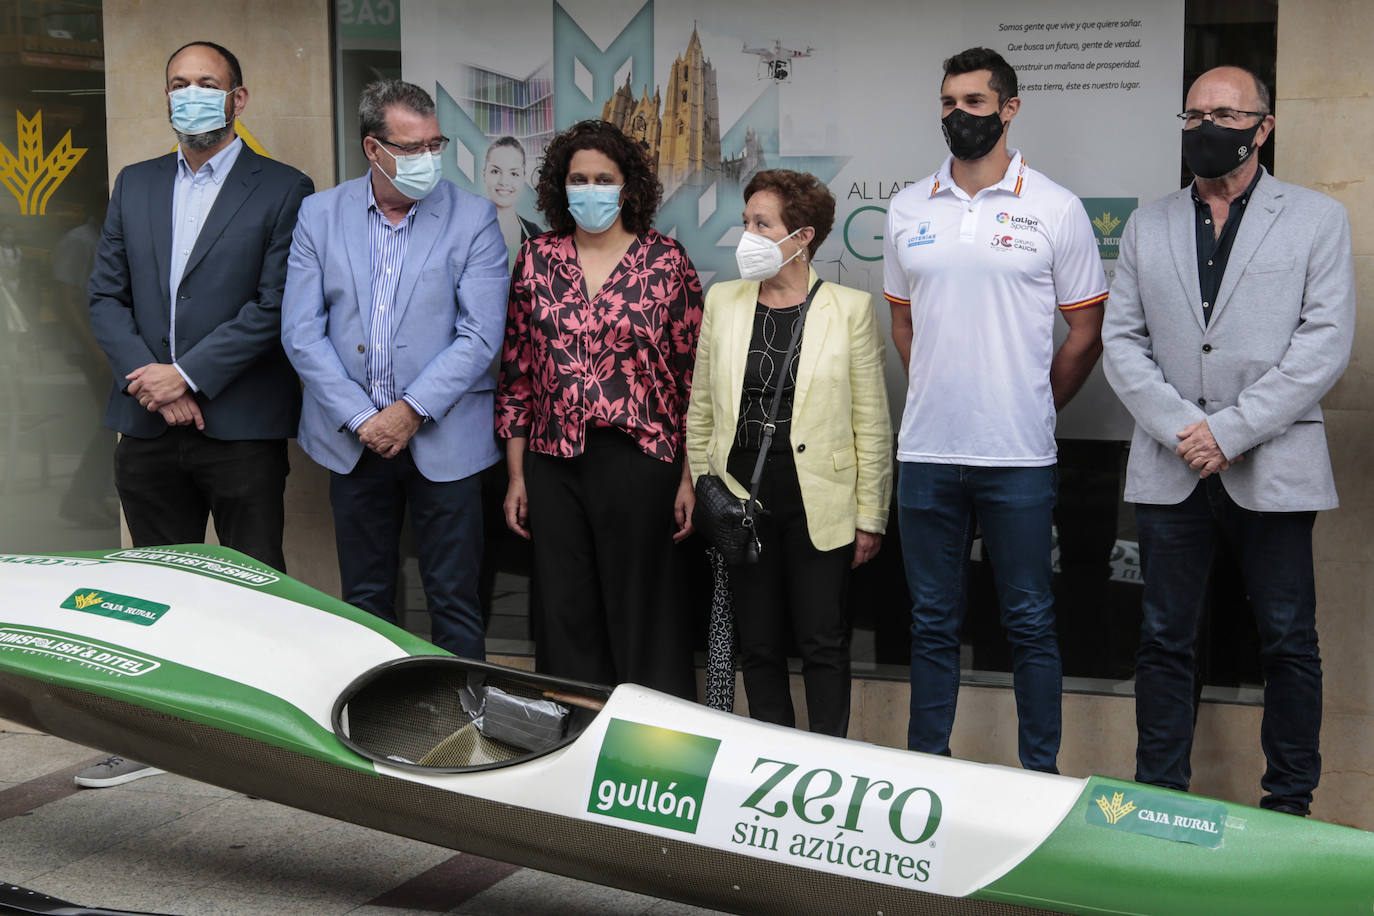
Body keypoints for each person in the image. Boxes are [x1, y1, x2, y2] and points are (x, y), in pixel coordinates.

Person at [1102, 66, 1354, 816]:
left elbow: (1325, 344)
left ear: (1262, 127)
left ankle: (1289, 806)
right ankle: (1157, 800)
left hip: (1272, 464)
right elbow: (1123, 342)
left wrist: (1233, 431)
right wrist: (1190, 431)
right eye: (1193, 115)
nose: (1205, 127)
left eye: (1223, 113)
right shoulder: (1148, 224)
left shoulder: (1316, 219)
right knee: (1164, 640)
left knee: (1286, 641)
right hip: (1173, 466)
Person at [80, 40, 313, 789]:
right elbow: (105, 297)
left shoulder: (283, 188)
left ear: (237, 99)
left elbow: (274, 306)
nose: (191, 96)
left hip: (237, 425)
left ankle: (259, 741)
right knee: (154, 590)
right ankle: (154, 738)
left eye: (207, 84)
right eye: (179, 84)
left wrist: (187, 375)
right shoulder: (136, 182)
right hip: (145, 424)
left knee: (252, 584)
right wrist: (152, 383)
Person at [882, 48, 1107, 773]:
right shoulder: (908, 207)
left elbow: (1086, 333)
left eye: (975, 103)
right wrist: (944, 389)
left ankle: (1037, 780)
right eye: (948, 102)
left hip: (1017, 457)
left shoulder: (1056, 208)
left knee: (1031, 624)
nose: (958, 116)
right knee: (931, 625)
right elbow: (905, 325)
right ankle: (928, 775)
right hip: (927, 457)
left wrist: (1033, 398)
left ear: (1009, 109)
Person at [282, 80, 509, 663]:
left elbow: (480, 334)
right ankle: (374, 723)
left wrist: (407, 413)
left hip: (446, 438)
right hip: (353, 442)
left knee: (455, 599)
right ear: (372, 149)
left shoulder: (474, 218)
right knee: (364, 600)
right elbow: (302, 333)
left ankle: (467, 726)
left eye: (435, 144)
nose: (427, 159)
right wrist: (364, 419)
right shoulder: (319, 215)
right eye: (411, 148)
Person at [496, 119, 703, 699]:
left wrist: (688, 474)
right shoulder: (537, 259)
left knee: (643, 610)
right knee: (565, 611)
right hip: (552, 461)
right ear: (561, 187)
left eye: (603, 179)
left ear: (628, 185)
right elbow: (517, 373)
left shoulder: (666, 262)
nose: (591, 189)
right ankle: (571, 740)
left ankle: (653, 751)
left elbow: (691, 380)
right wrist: (516, 475)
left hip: (639, 460)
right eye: (579, 178)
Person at [685, 169, 891, 736]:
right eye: (745, 220)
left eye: (761, 223)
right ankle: (771, 752)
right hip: (740, 494)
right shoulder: (723, 301)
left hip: (817, 496)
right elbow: (700, 408)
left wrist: (870, 515)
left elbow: (870, 422)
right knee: (760, 640)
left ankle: (829, 758)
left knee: (823, 639)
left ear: (800, 237)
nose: (746, 234)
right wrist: (706, 487)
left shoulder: (849, 308)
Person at [483, 136, 542, 257]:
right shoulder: (467, 230)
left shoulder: (534, 233)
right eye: (495, 171)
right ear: (484, 174)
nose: (504, 181)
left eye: (514, 173)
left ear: (523, 178)